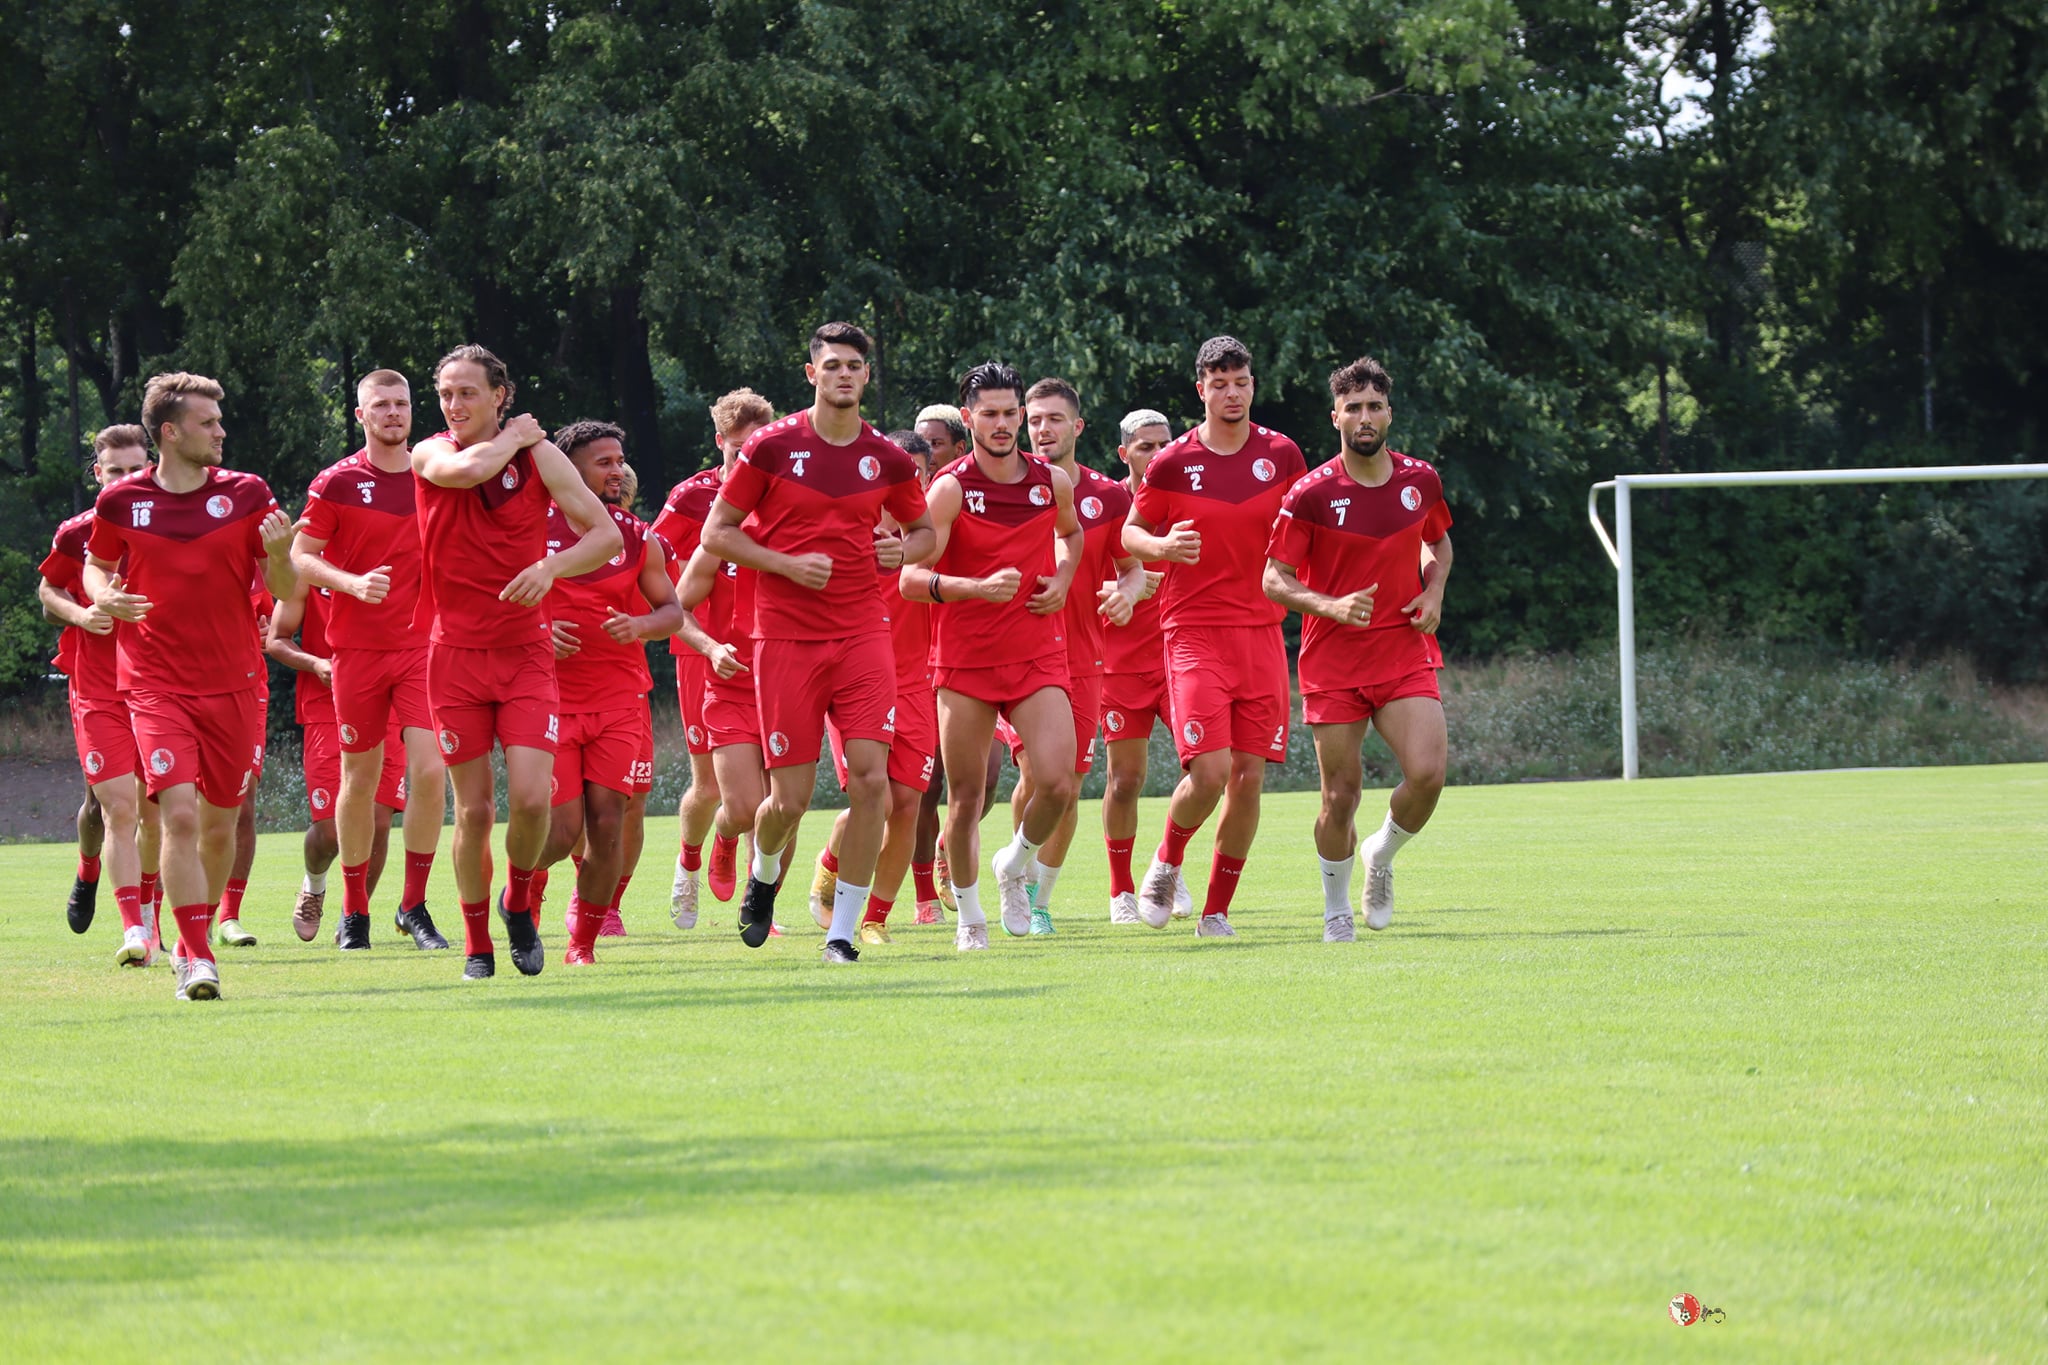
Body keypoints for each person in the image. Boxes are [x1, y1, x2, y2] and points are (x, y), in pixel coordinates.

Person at [701, 321, 934, 965]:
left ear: (866, 375)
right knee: (789, 801)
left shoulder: (887, 457)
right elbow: (718, 533)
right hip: (785, 639)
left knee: (872, 785)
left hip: (863, 634)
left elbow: (924, 533)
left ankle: (842, 934)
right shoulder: (772, 447)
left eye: (854, 365)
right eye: (832, 365)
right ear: (812, 374)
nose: (844, 374)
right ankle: (764, 875)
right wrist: (784, 564)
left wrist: (901, 549)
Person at [411, 345, 622, 980]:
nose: (453, 405)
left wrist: (551, 567)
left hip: (525, 654)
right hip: (454, 658)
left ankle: (518, 901)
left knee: (532, 801)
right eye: (446, 393)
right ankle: (477, 945)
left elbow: (606, 535)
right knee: (474, 811)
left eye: (467, 393)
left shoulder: (541, 457)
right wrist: (516, 435)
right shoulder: (432, 452)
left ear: (499, 395)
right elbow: (467, 471)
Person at [83, 372, 296, 1001]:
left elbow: (286, 591)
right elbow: (95, 567)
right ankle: (197, 959)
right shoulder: (121, 502)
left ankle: (187, 939)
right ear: (171, 433)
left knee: (219, 827)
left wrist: (281, 555)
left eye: (219, 421)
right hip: (154, 684)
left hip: (234, 683)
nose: (221, 431)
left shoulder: (249, 493)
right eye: (208, 423)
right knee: (178, 815)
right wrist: (104, 598)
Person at [1122, 336, 1306, 937]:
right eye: (1219, 383)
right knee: (1210, 772)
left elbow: (1307, 532)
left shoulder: (1282, 455)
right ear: (1200, 389)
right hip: (1194, 631)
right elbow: (1130, 533)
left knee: (1249, 778)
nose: (1232, 393)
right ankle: (1166, 861)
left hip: (1262, 634)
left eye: (1241, 382)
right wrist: (1163, 545)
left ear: (1253, 385)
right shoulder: (1174, 460)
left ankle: (1216, 912)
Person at [899, 360, 1085, 950]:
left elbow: (1071, 533)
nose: (1002, 424)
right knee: (966, 798)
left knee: (1058, 781)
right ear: (969, 418)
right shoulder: (950, 488)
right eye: (989, 414)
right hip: (965, 662)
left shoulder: (1051, 481)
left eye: (1010, 413)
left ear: (1021, 415)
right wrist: (974, 588)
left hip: (1036, 653)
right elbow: (910, 578)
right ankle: (970, 918)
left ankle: (1014, 863)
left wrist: (1063, 577)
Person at [1264, 356, 1452, 938]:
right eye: (1353, 408)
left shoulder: (1420, 480)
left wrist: (1434, 591)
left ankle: (1381, 854)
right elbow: (1274, 579)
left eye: (1374, 407)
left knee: (1428, 775)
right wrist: (1331, 606)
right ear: (1336, 417)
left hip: (1402, 651)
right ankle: (1335, 910)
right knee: (1340, 796)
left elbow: (1438, 544)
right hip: (1334, 663)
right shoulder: (1311, 493)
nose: (1364, 417)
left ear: (1389, 414)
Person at [290, 369, 449, 951]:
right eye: (380, 404)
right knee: (357, 780)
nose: (393, 413)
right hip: (356, 651)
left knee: (429, 771)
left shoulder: (437, 473)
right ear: (360, 415)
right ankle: (354, 910)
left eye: (401, 403)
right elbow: (301, 555)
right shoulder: (336, 482)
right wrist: (351, 583)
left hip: (423, 647)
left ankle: (413, 905)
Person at [536, 420, 696, 965]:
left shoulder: (636, 536)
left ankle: (581, 945)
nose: (617, 470)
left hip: (619, 702)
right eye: (603, 462)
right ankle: (523, 893)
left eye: (619, 460)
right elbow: (486, 598)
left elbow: (672, 611)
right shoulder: (530, 528)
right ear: (569, 469)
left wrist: (641, 625)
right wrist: (537, 631)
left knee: (609, 826)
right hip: (549, 700)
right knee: (561, 831)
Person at [1001, 377, 1145, 934]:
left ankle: (1038, 898)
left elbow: (1133, 569)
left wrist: (1127, 594)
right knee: (1037, 773)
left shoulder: (1108, 498)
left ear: (1077, 427)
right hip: (1017, 657)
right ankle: (1016, 882)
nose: (1043, 429)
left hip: (1084, 660)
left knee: (1069, 786)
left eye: (1054, 419)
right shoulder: (1003, 488)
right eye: (1035, 419)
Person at [806, 428, 945, 945]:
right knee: (877, 802)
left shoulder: (933, 536)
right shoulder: (845, 528)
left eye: (917, 474)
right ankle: (830, 862)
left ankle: (874, 919)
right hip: (856, 684)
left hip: (916, 686)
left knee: (908, 804)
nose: (908, 483)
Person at [37, 426, 163, 953]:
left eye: (136, 470)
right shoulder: (77, 533)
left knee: (154, 811)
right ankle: (100, 885)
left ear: (151, 466)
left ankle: (149, 921)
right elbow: (48, 592)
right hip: (97, 687)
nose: (126, 480)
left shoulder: (173, 525)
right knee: (112, 808)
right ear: (98, 474)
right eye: (116, 471)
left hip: (159, 684)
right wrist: (82, 615)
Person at [653, 388, 775, 928]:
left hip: (772, 657)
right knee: (710, 787)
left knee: (773, 792)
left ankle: (760, 900)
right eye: (737, 451)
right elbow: (647, 557)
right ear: (719, 441)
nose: (747, 461)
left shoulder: (783, 496)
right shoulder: (692, 496)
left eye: (757, 450)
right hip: (701, 649)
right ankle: (689, 864)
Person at [266, 582, 403, 940]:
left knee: (379, 819)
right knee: (329, 829)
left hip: (389, 700)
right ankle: (314, 885)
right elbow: (276, 639)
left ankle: (353, 914)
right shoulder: (310, 566)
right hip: (326, 704)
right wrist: (315, 664)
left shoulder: (396, 558)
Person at [1097, 409, 1186, 924]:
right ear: (1124, 453)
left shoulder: (1185, 503)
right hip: (1120, 665)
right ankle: (1121, 891)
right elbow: (1072, 580)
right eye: (1145, 446)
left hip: (1181, 659)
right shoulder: (1107, 506)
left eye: (1163, 444)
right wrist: (1122, 587)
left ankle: (1167, 867)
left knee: (1205, 769)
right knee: (1125, 780)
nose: (1156, 454)